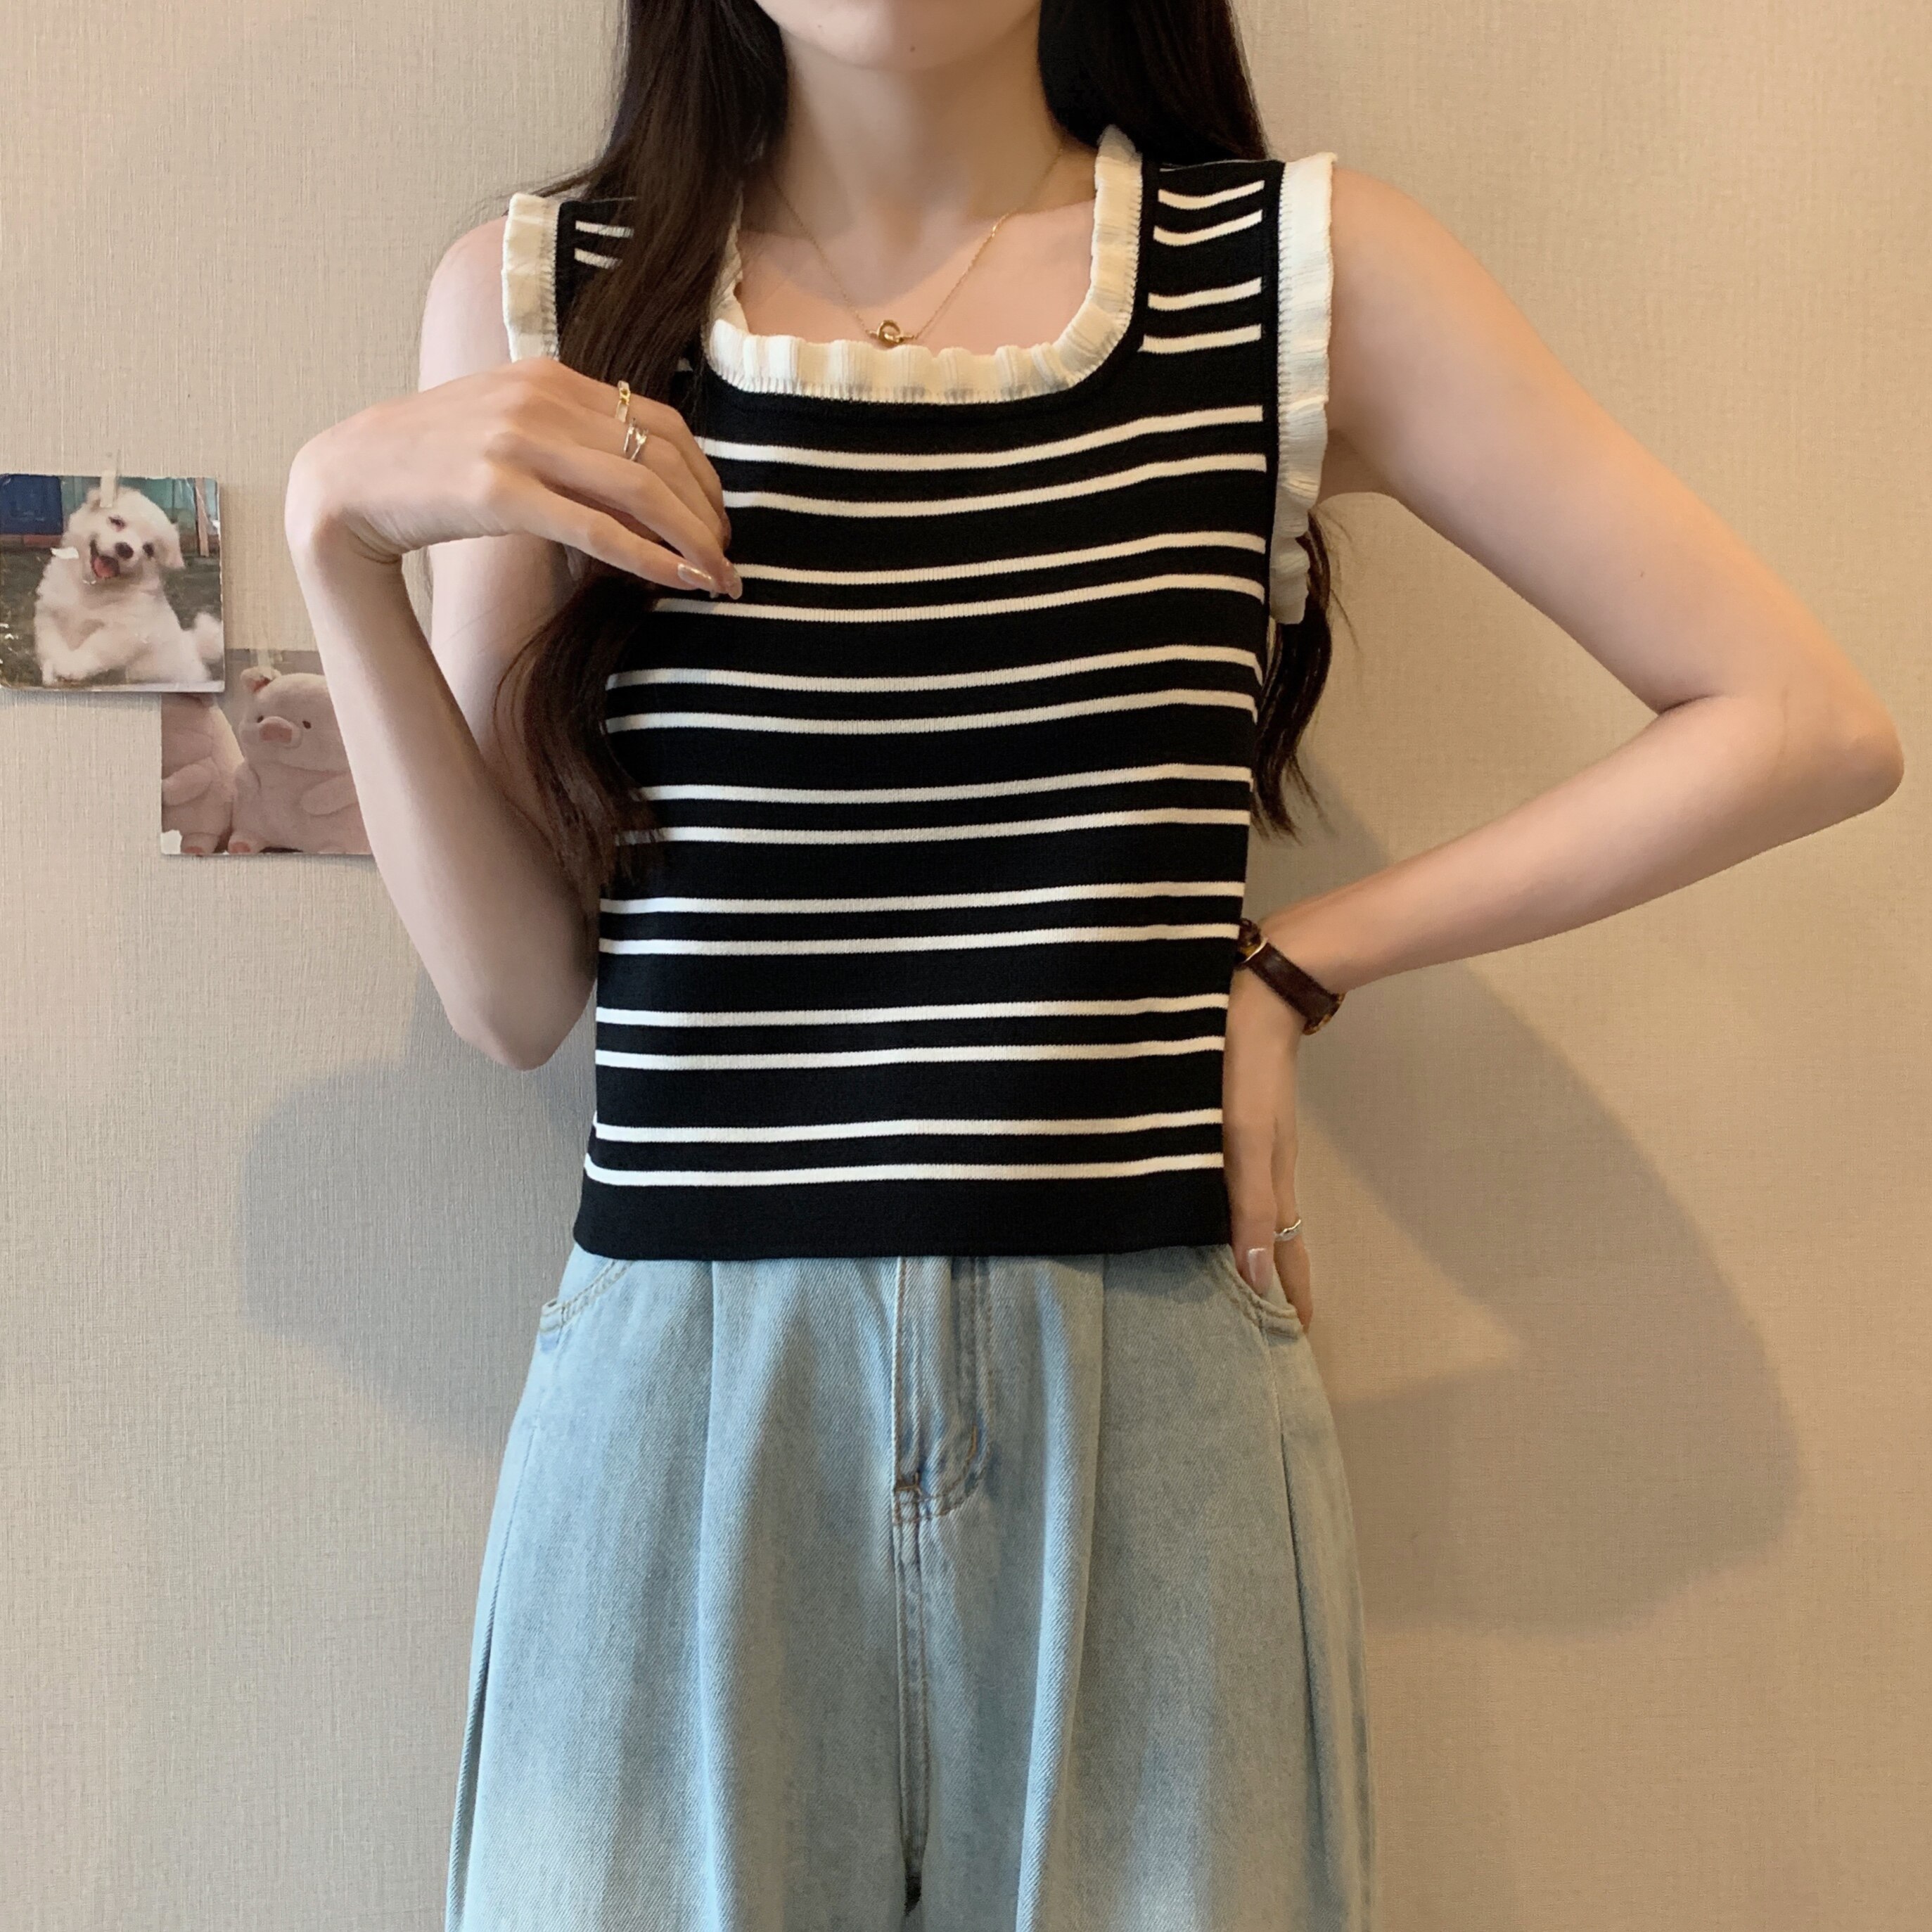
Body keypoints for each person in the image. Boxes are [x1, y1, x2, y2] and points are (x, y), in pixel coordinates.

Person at [283, 4, 1904, 1927]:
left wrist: (1300, 964)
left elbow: (1797, 719)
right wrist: (338, 541)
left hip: (1145, 1388)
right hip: (688, 1403)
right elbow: (514, 994)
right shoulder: (547, 302)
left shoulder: (1289, 281)